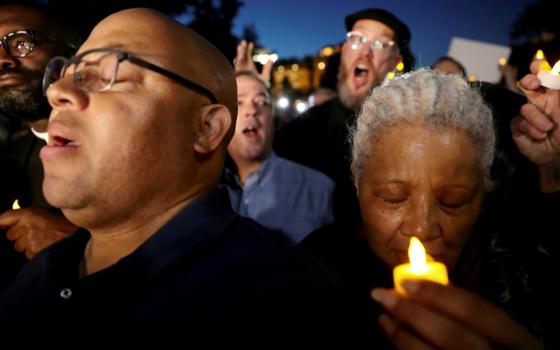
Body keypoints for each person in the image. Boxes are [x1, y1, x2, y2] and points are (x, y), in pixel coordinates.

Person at [0, 8, 366, 347]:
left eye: (103, 74)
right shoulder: (36, 275)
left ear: (206, 128)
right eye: (64, 76)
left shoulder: (291, 307)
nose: (56, 92)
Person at [300, 69, 549, 349]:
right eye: (393, 197)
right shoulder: (310, 279)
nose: (422, 227)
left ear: (483, 195)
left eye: (452, 201)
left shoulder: (529, 274)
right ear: (358, 183)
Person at [274, 8, 411, 226]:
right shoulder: (299, 131)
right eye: (357, 40)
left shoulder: (408, 138)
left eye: (379, 44)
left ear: (395, 61)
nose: (365, 52)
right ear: (345, 50)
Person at [0, 2, 80, 289]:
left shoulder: (142, 145)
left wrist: (85, 249)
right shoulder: (9, 165)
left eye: (21, 42)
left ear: (73, 54)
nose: (2, 60)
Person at [222, 70, 334, 244]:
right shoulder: (199, 190)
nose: (252, 110)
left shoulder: (319, 189)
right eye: (238, 102)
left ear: (272, 119)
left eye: (261, 101)